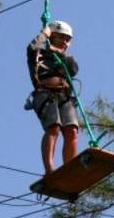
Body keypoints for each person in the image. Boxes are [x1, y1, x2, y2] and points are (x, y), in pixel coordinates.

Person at [26, 20, 80, 175]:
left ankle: (70, 169)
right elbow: (32, 47)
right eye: (61, 38)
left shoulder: (65, 58)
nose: (65, 42)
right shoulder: (38, 54)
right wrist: (44, 34)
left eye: (67, 40)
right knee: (53, 128)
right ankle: (49, 169)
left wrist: (56, 51)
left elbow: (74, 68)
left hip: (65, 95)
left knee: (72, 130)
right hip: (45, 94)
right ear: (52, 36)